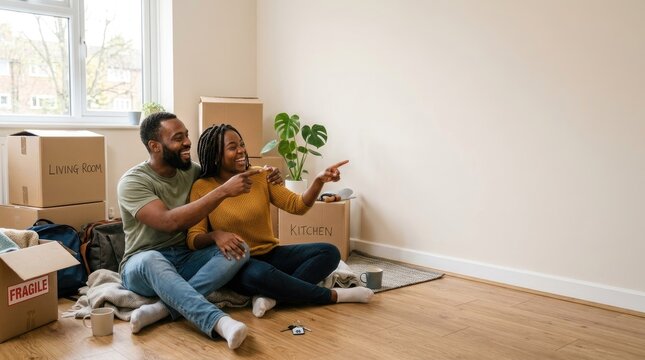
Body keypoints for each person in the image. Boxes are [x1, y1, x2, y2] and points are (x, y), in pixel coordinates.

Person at [117, 112, 282, 349]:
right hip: (141, 264)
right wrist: (223, 191)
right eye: (177, 138)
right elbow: (168, 222)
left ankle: (165, 308)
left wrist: (266, 173)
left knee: (239, 248)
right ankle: (219, 322)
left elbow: (228, 172)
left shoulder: (191, 171)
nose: (187, 142)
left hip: (184, 257)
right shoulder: (133, 182)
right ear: (155, 146)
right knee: (152, 258)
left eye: (186, 135)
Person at [187, 124, 374, 318]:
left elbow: (297, 206)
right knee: (261, 275)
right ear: (216, 155)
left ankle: (272, 297)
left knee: (329, 252)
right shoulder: (202, 187)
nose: (242, 150)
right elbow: (194, 238)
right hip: (238, 263)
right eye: (232, 147)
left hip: (271, 253)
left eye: (241, 144)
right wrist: (216, 235)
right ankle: (334, 295)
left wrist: (319, 181)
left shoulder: (261, 175)